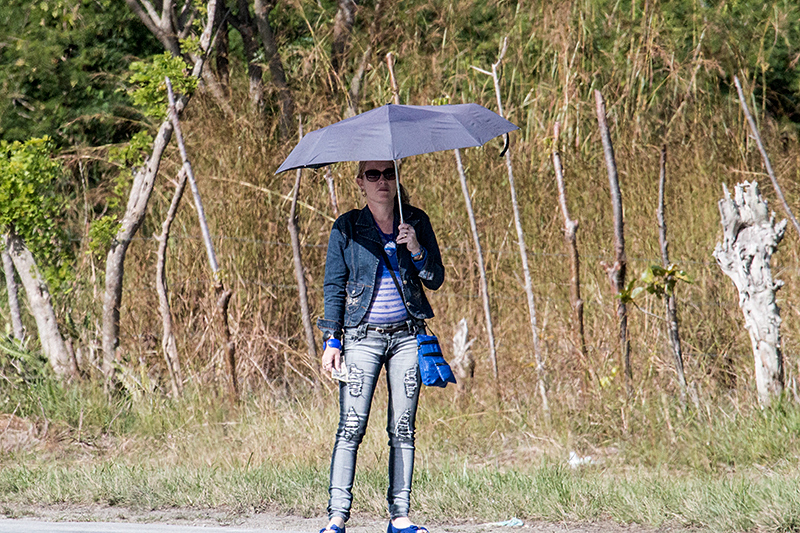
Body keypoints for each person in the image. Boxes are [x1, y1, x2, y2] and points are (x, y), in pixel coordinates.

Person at [317, 160, 445, 533]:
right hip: (361, 337)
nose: (382, 181)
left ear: (396, 178)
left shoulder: (416, 221)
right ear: (360, 182)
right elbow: (333, 286)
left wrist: (416, 248)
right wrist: (332, 339)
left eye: (388, 174)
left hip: (407, 336)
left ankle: (400, 517)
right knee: (351, 426)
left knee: (403, 427)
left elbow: (435, 278)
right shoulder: (347, 227)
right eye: (373, 175)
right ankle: (337, 517)